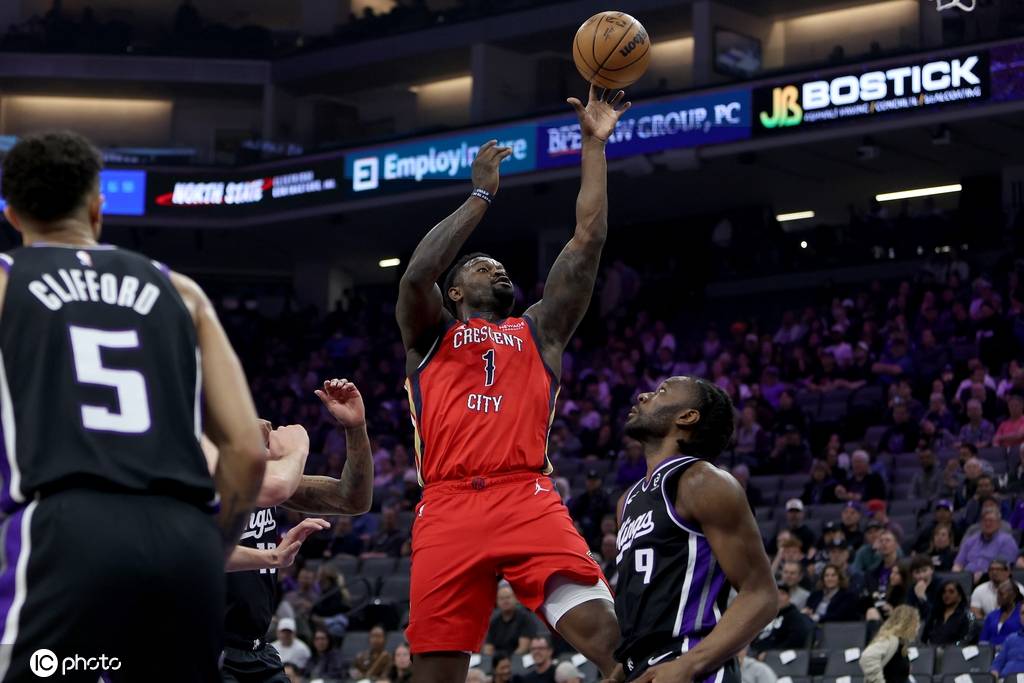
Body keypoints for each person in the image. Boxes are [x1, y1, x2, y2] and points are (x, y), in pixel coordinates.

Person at [0, 131, 268, 681]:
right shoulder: (182, 292)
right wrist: (212, 545)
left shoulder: (6, 282)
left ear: (12, 215)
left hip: (66, 531)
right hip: (184, 539)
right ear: (97, 210)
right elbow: (246, 449)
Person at [395, 85, 631, 681]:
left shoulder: (539, 330)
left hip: (524, 495)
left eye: (499, 266)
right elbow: (417, 275)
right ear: (454, 292)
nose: (496, 267)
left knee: (613, 645)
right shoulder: (430, 335)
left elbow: (587, 241)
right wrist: (480, 196)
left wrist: (594, 147)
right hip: (446, 505)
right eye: (481, 266)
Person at [615, 376, 777, 682]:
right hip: (644, 668)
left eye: (662, 392)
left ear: (687, 416)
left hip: (690, 662)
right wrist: (619, 671)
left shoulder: (702, 481)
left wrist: (689, 664)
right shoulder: (627, 501)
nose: (643, 396)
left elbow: (761, 594)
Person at [221, 378, 374, 683]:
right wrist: (295, 449)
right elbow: (204, 552)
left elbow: (352, 499)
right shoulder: (199, 483)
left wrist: (355, 428)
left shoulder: (264, 484)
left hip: (257, 651)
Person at [859, 605, 920, 683]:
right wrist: (878, 681)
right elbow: (867, 657)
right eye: (916, 622)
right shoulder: (891, 640)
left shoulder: (900, 643)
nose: (918, 626)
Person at [749, 584, 815, 656]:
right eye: (776, 594)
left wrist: (772, 653)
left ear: (789, 597)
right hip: (753, 651)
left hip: (773, 655)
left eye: (782, 594)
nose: (779, 597)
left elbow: (796, 639)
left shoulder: (795, 616)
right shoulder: (767, 615)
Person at [953, 510, 1018, 579]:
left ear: (999, 523)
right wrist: (956, 577)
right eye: (985, 521)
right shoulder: (971, 540)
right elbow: (958, 564)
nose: (987, 523)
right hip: (967, 578)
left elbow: (1003, 568)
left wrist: (981, 575)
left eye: (991, 521)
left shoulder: (1007, 541)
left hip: (992, 579)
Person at [484, 584, 537, 656]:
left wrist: (506, 660)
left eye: (508, 597)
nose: (505, 601)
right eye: (501, 598)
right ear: (496, 601)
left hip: (519, 659)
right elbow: (488, 649)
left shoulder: (525, 618)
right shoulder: (494, 622)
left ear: (516, 599)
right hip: (498, 660)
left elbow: (523, 648)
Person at [569, 468, 612, 551]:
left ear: (599, 482)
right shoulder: (582, 498)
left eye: (594, 481)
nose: (591, 483)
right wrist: (576, 524)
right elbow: (574, 515)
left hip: (598, 530)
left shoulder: (604, 498)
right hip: (583, 530)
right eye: (590, 481)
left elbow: (607, 516)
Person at [922, 580, 974, 645]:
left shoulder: (967, 616)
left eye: (951, 592)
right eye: (944, 592)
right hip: (932, 649)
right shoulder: (935, 614)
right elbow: (924, 638)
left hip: (955, 650)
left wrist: (951, 648)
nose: (946, 595)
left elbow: (966, 640)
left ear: (960, 596)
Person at [991, 603, 1024, 679]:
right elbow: (998, 663)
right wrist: (994, 675)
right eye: (1023, 613)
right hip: (1005, 679)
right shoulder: (1011, 638)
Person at [906, 554, 941, 622]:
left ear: (932, 570)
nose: (921, 576)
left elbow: (934, 616)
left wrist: (922, 597)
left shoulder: (941, 586)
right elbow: (909, 610)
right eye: (917, 572)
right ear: (912, 574)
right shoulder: (912, 588)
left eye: (924, 571)